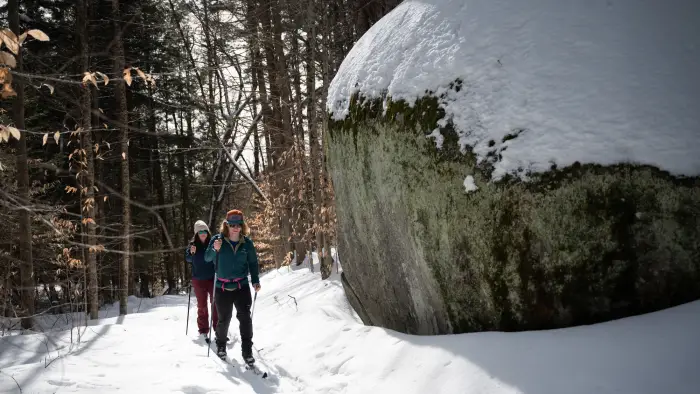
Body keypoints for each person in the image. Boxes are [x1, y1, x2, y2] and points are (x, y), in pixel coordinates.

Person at [205, 209, 261, 364]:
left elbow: (253, 263)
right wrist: (214, 249)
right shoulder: (218, 240)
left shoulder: (247, 243)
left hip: (241, 285)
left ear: (242, 225)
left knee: (245, 318)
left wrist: (255, 281)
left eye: (239, 224)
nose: (236, 227)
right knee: (224, 319)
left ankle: (247, 350)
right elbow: (207, 257)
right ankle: (221, 346)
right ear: (227, 225)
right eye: (232, 224)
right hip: (222, 287)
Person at [185, 220, 217, 342]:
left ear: (207, 232)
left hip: (212, 278)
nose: (203, 233)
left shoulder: (212, 243)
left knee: (216, 304)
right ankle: (203, 330)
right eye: (200, 232)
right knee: (202, 305)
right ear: (196, 233)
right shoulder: (192, 245)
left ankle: (218, 329)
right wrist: (192, 253)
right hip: (198, 279)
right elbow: (188, 258)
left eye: (205, 231)